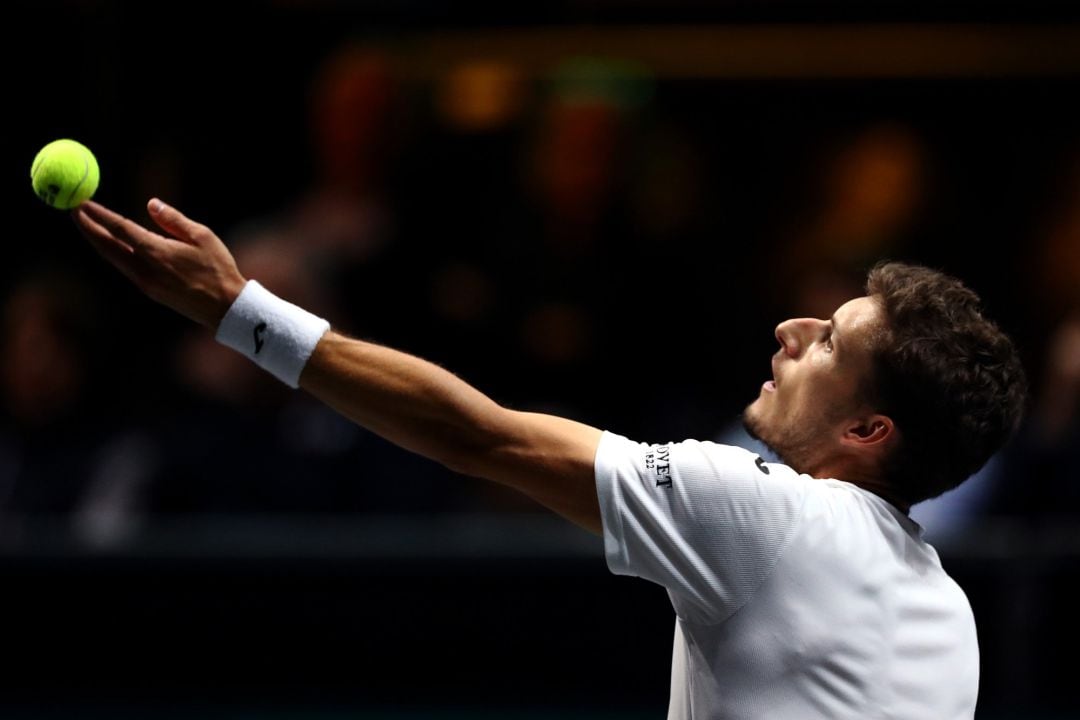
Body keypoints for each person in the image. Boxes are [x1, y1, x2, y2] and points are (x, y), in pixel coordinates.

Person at [71, 197, 1027, 719]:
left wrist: (239, 312)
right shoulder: (951, 617)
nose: (791, 328)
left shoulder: (773, 518)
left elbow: (478, 434)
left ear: (870, 433)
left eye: (829, 343)